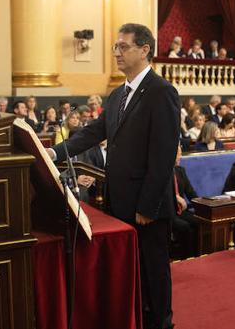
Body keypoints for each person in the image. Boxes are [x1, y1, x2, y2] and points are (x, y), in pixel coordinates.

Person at [49, 23, 180, 329]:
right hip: (119, 200)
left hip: (147, 206)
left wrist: (148, 206)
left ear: (145, 50)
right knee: (132, 271)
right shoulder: (117, 93)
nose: (117, 53)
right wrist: (54, 153)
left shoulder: (161, 92)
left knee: (154, 270)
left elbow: (162, 156)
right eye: (115, 47)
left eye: (124, 47)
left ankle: (161, 323)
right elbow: (93, 133)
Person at [171, 145, 200, 259]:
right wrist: (175, 197)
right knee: (185, 227)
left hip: (181, 210)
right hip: (169, 211)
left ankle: (198, 255)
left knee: (200, 221)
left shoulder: (180, 171)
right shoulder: (162, 172)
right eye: (178, 154)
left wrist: (202, 206)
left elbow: (190, 192)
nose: (180, 157)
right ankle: (186, 258)